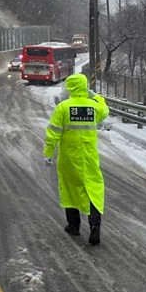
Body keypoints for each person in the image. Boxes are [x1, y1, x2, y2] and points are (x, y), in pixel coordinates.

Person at [44, 73, 109, 246]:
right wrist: (95, 96)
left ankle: (74, 226)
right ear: (84, 87)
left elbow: (53, 133)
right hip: (89, 156)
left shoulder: (63, 107)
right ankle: (95, 225)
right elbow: (105, 110)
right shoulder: (93, 107)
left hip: (69, 157)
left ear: (71, 88)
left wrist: (48, 153)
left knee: (69, 188)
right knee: (93, 189)